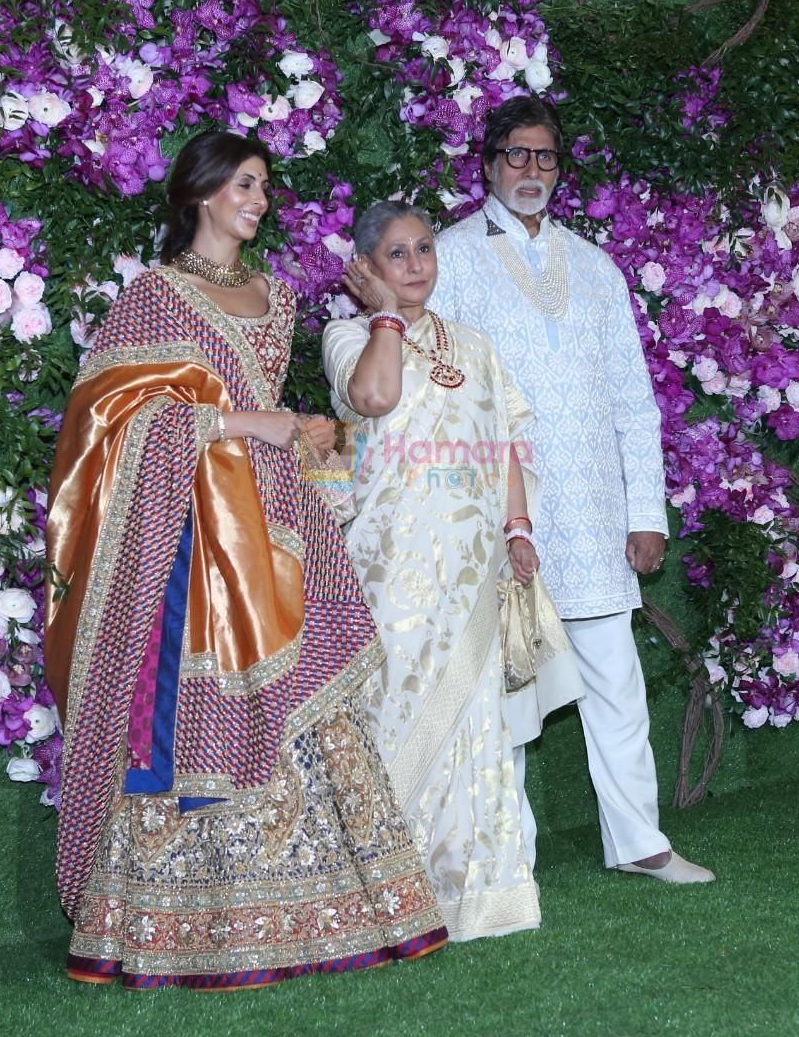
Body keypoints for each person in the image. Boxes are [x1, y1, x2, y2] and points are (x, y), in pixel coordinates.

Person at [44, 132, 446, 990]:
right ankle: (173, 924)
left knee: (303, 691)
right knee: (191, 708)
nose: (258, 200)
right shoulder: (153, 297)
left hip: (275, 523)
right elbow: (108, 426)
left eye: (265, 185)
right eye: (244, 184)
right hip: (189, 541)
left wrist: (303, 430)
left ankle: (325, 910)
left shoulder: (279, 295)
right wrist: (238, 427)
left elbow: (270, 409)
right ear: (200, 192)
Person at [430, 96, 715, 885]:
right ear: (488, 163)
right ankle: (506, 859)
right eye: (517, 155)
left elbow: (633, 399)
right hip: (503, 514)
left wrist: (645, 514)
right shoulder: (447, 259)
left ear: (560, 169)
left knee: (617, 684)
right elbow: (442, 396)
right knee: (506, 694)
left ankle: (642, 842)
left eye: (545, 158)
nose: (531, 171)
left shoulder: (596, 267)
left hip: (592, 517)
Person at [323, 200, 584, 940]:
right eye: (396, 255)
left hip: (472, 563)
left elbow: (503, 441)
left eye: (424, 250)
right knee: (393, 715)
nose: (415, 267)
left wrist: (519, 526)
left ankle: (482, 899)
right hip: (390, 565)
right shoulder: (348, 336)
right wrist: (383, 317)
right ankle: (392, 898)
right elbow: (373, 398)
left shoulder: (472, 346)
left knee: (477, 726)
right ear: (366, 269)